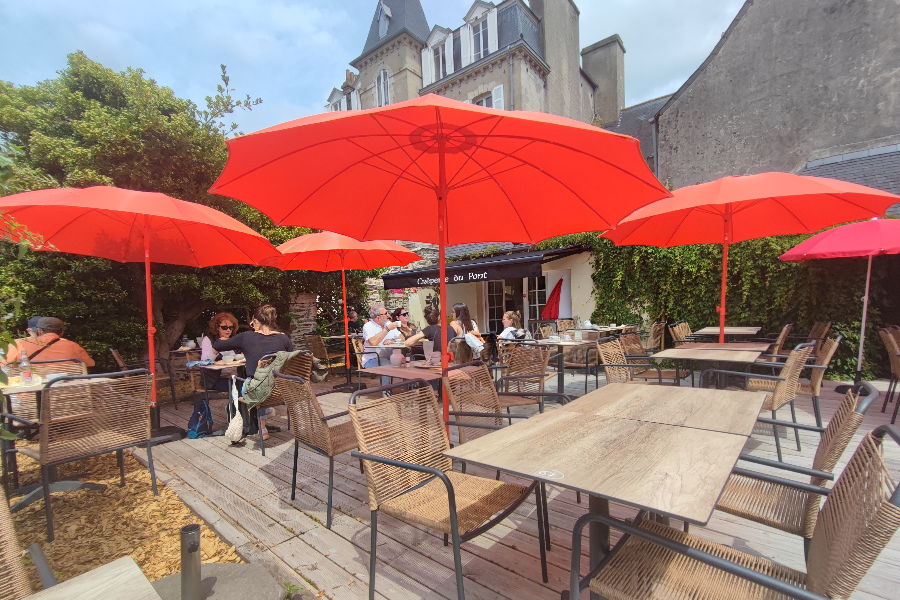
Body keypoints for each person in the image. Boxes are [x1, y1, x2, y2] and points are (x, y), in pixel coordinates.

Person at [213, 304, 293, 440]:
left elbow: (216, 347)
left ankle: (261, 427)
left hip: (256, 391)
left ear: (256, 322)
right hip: (281, 389)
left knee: (250, 383)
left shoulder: (246, 337)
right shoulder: (284, 338)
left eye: (252, 323)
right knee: (262, 382)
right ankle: (264, 420)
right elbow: (292, 360)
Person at [4, 317, 95, 368]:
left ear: (39, 331)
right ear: (62, 333)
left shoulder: (19, 344)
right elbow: (90, 364)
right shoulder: (72, 345)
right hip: (66, 395)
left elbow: (4, 365)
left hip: (30, 396)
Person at [362, 304, 404, 385]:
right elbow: (373, 342)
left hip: (390, 357)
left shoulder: (388, 323)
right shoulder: (368, 326)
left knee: (408, 361)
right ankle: (386, 391)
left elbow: (402, 338)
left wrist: (393, 340)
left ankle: (410, 388)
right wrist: (387, 329)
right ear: (378, 317)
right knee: (387, 366)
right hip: (372, 359)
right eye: (385, 313)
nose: (388, 315)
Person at [200, 312, 240, 393]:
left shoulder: (235, 339)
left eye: (230, 327)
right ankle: (235, 406)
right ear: (217, 327)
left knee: (250, 385)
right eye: (224, 327)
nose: (228, 330)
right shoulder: (209, 340)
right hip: (215, 379)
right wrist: (216, 348)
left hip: (237, 376)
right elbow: (205, 361)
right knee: (240, 387)